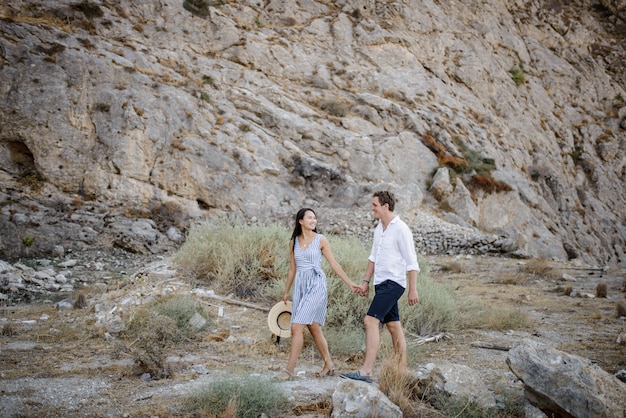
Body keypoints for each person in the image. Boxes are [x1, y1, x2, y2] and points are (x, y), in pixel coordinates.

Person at [340, 190, 420, 383]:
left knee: (370, 321)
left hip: (394, 283)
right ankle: (402, 369)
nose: (372, 208)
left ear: (385, 206)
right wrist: (366, 281)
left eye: (375, 205)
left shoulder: (401, 229)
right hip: (380, 283)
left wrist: (413, 289)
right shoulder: (379, 228)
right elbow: (373, 257)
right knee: (393, 326)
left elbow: (412, 262)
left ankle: (366, 371)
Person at [281, 208, 359, 380]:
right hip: (301, 287)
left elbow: (334, 264)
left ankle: (289, 371)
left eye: (315, 218)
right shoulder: (293, 241)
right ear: (300, 221)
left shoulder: (321, 240)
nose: (313, 220)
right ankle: (329, 364)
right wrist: (286, 291)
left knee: (296, 327)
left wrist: (350, 283)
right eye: (310, 217)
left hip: (316, 284)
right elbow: (292, 269)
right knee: (313, 327)